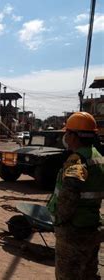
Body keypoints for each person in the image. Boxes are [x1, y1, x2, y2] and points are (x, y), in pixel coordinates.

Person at [47, 111, 104, 280]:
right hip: (92, 226)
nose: (65, 136)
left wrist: (59, 221)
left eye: (67, 133)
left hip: (74, 231)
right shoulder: (98, 157)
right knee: (89, 274)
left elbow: (68, 198)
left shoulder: (77, 162)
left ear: (75, 136)